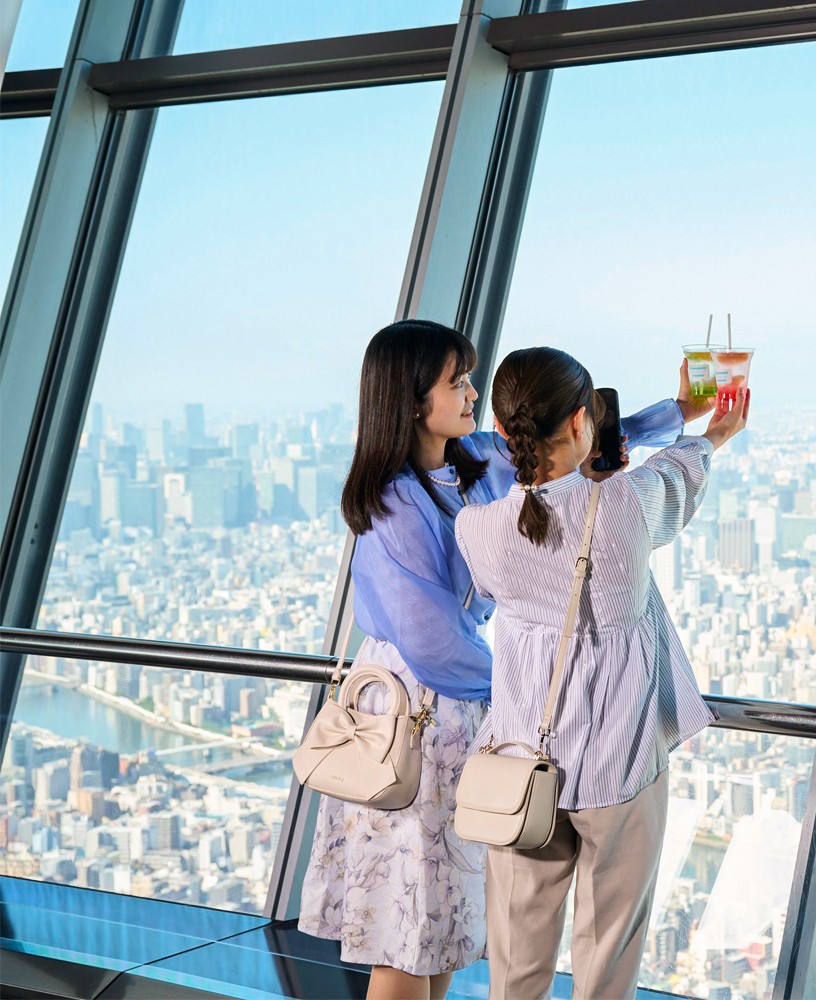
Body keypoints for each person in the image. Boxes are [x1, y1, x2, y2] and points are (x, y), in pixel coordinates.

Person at [298, 320, 705, 1000]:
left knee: (445, 925)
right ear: (409, 400)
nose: (469, 391)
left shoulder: (474, 461)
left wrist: (675, 413)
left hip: (465, 723)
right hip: (415, 719)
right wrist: (533, 684)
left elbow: (565, 438)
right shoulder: (395, 506)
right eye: (454, 380)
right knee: (408, 936)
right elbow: (432, 646)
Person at [454, 346, 749, 1000]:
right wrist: (712, 431)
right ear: (585, 421)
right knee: (608, 955)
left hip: (521, 766)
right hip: (621, 762)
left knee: (517, 957)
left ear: (502, 433)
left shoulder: (478, 528)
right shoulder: (622, 506)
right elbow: (676, 472)